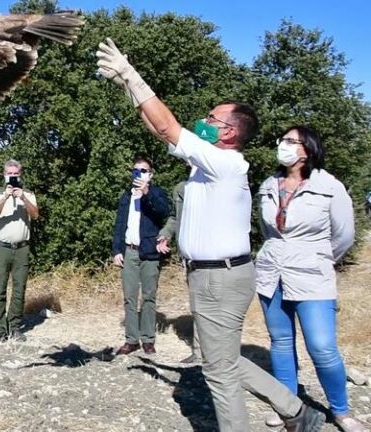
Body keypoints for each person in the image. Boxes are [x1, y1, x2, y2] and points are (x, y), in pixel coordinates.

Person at [96, 37, 324, 432]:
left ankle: (288, 415)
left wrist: (131, 72)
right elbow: (159, 130)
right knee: (223, 360)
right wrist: (126, 86)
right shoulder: (206, 163)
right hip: (206, 275)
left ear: (230, 133)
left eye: (213, 118)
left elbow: (169, 126)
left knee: (218, 370)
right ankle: (296, 411)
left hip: (222, 277)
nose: (204, 119)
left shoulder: (225, 164)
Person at [255, 126, 364, 432]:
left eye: (291, 141)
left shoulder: (330, 187)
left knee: (322, 347)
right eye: (283, 140)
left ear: (308, 149)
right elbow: (268, 231)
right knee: (281, 341)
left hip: (312, 275)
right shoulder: (268, 184)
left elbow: (344, 236)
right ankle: (287, 405)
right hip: (271, 273)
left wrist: (315, 258)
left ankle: (341, 411)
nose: (283, 146)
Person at [111, 156, 170, 355]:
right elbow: (119, 225)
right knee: (129, 297)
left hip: (149, 252)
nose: (139, 174)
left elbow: (164, 211)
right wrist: (117, 250)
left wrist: (147, 193)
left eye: (143, 170)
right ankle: (131, 340)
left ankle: (148, 339)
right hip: (129, 251)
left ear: (150, 174)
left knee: (149, 297)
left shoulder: (157, 193)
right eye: (136, 170)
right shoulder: (126, 197)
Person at [0, 159, 40, 343]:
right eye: (9, 174)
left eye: (15, 174)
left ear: (20, 175)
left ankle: (15, 327)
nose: (12, 177)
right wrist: (5, 197)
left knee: (19, 290)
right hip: (1, 248)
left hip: (21, 249)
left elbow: (35, 215)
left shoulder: (28, 194)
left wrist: (23, 198)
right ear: (4, 175)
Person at [157, 179, 203, 364]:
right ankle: (200, 352)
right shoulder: (182, 188)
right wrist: (166, 234)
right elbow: (176, 217)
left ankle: (221, 354)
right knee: (198, 306)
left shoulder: (220, 183)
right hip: (191, 259)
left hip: (216, 257)